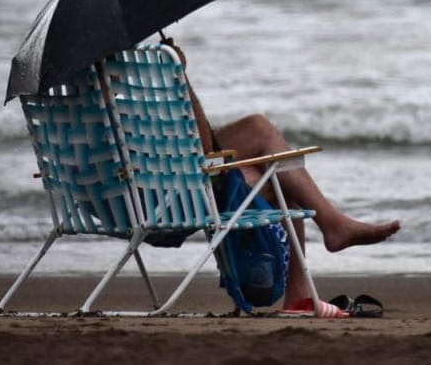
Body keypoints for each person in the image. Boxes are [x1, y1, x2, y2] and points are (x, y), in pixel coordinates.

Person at [162, 37, 401, 311]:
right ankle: (323, 246)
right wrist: (181, 79)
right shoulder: (134, 80)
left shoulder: (109, 94)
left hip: (134, 193)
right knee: (277, 169)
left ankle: (328, 236)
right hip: (169, 197)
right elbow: (202, 147)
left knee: (259, 131)